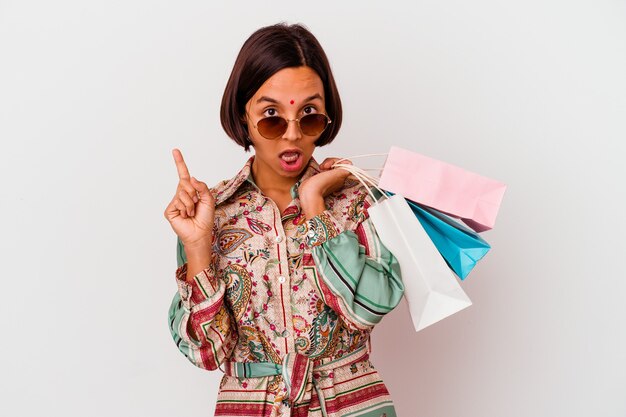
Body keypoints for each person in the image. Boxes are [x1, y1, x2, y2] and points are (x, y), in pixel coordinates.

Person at [164, 22, 405, 417]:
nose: (292, 135)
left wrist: (315, 206)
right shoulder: (213, 214)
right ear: (243, 115)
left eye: (309, 114)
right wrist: (196, 247)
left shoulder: (358, 200)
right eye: (272, 116)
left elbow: (366, 310)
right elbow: (206, 354)